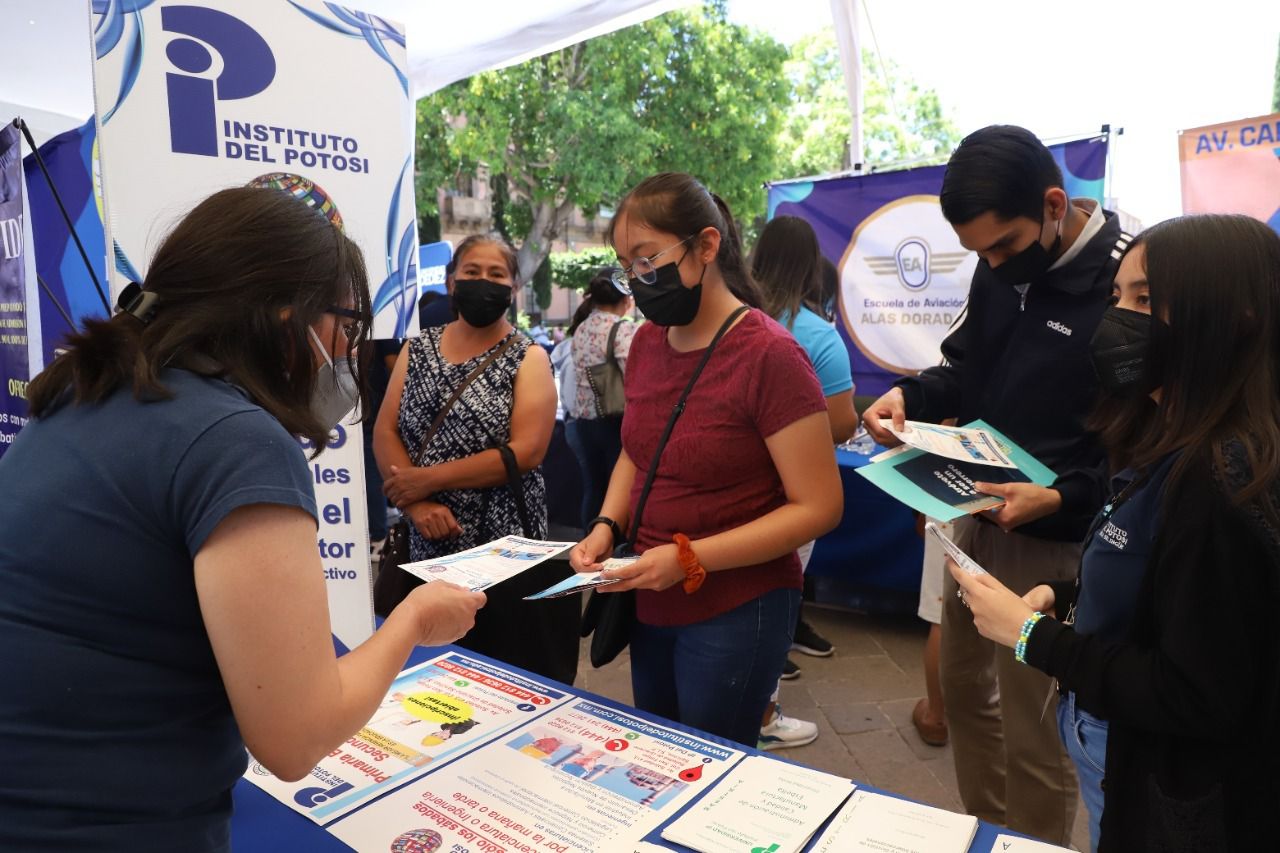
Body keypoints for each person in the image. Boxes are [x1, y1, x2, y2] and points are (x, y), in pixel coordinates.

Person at [0, 182, 485, 851]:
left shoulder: (88, 396)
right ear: (287, 316)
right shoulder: (234, 441)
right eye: (346, 326)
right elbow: (295, 736)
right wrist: (411, 620)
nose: (350, 353)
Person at [951, 213, 1280, 852]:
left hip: (1164, 783)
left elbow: (1195, 693)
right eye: (1117, 297)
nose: (1119, 319)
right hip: (1122, 757)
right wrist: (1065, 596)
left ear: (1235, 315)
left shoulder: (1225, 481)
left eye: (1147, 299)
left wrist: (1029, 639)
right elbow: (1168, 593)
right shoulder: (1172, 438)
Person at [863, 125, 1131, 844]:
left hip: (1052, 549)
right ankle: (985, 830)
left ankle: (1033, 842)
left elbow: (1141, 442)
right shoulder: (997, 270)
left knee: (1035, 727)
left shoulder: (1124, 281)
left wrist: (1061, 497)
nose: (993, 264)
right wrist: (911, 399)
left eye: (1005, 247)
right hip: (973, 514)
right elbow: (963, 366)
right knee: (962, 692)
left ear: (1053, 203)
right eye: (979, 252)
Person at [568, 172, 843, 748]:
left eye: (648, 259)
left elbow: (818, 507)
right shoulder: (646, 343)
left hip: (737, 607)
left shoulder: (771, 354)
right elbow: (637, 453)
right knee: (662, 757)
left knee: (712, 765)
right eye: (627, 266)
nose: (639, 280)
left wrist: (690, 558)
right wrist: (605, 526)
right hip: (653, 594)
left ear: (707, 246)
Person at [374, 234, 578, 684]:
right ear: (451, 283)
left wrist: (425, 481)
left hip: (502, 555)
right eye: (471, 273)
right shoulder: (417, 349)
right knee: (428, 680)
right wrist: (417, 506)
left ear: (513, 288)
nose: (483, 282)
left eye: (496, 274)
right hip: (427, 548)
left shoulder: (529, 357)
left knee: (504, 680)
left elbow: (526, 451)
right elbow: (386, 431)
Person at [750, 218, 858, 749]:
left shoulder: (733, 321)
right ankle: (763, 715)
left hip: (733, 491)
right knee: (777, 602)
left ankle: (738, 705)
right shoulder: (816, 334)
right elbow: (841, 424)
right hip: (793, 498)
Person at [566, 269, 637, 530]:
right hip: (615, 420)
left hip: (584, 422)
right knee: (619, 488)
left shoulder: (581, 328)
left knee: (594, 487)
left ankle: (589, 542)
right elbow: (634, 375)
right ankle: (614, 545)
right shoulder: (622, 329)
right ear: (626, 300)